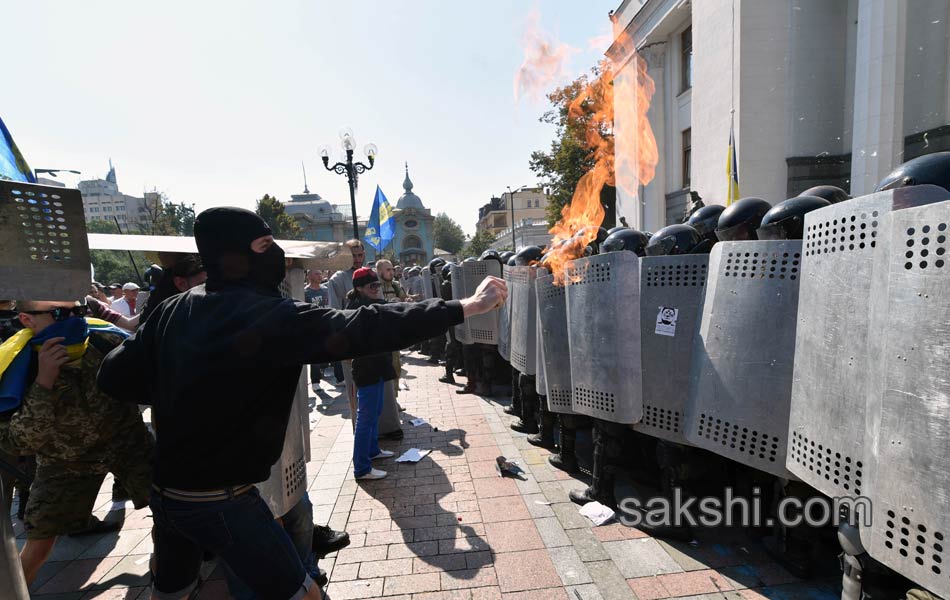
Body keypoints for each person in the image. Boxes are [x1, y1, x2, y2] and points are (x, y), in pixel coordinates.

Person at [97, 207, 506, 600]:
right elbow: (363, 327)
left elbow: (115, 376)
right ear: (235, 255)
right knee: (302, 592)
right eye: (264, 245)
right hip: (220, 499)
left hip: (167, 491)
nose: (274, 254)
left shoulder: (173, 309)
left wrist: (180, 389)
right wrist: (465, 307)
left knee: (171, 591)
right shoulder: (264, 314)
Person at [0, 301, 153, 585]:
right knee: (39, 544)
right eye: (59, 314)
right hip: (65, 464)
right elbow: (19, 443)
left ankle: (168, 578)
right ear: (26, 319)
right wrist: (44, 383)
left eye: (78, 311)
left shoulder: (105, 340)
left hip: (131, 448)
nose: (72, 320)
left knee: (172, 515)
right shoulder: (17, 365)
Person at [344, 268, 399, 480]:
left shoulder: (367, 303)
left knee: (374, 411)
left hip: (376, 365)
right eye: (372, 286)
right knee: (365, 417)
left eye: (377, 285)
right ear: (359, 288)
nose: (377, 289)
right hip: (367, 368)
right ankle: (362, 468)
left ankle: (373, 451)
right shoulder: (359, 307)